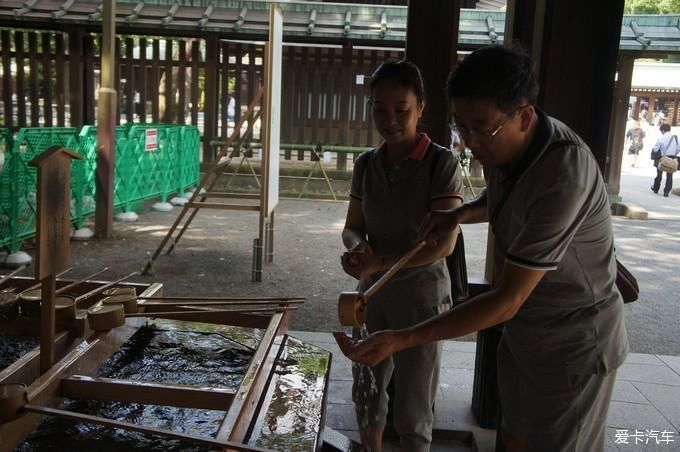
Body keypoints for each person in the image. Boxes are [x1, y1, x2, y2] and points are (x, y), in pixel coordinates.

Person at [335, 45, 629, 452]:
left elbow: (506, 299)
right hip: (527, 332)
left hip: (574, 340)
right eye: (460, 127)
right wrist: (459, 214)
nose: (469, 141)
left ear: (524, 116)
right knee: (513, 440)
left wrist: (402, 339)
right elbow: (500, 199)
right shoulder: (502, 144)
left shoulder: (563, 172)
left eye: (479, 128)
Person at [340, 59, 464, 452]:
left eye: (401, 109)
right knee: (368, 395)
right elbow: (352, 226)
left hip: (422, 301)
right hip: (371, 298)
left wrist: (382, 262)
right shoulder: (366, 164)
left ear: (422, 108)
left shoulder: (441, 164)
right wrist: (357, 248)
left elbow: (444, 244)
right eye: (380, 108)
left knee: (413, 407)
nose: (389, 119)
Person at [650, 123, 679, 197]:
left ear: (662, 130)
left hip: (663, 157)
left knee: (659, 173)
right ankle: (666, 191)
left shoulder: (661, 138)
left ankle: (656, 188)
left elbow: (656, 150)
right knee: (670, 174)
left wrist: (653, 150)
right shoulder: (675, 138)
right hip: (672, 158)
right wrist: (674, 153)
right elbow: (678, 148)